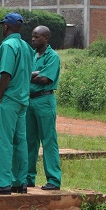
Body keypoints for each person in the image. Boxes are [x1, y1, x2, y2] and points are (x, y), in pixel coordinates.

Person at [0, 12, 34, 196]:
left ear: (6, 26)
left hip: (8, 100)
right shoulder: (27, 47)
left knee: (3, 141)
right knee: (20, 141)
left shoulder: (8, 45)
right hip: (22, 100)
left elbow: (5, 73)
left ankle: (2, 183)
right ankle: (20, 182)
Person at [27, 25, 63, 191]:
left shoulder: (52, 57)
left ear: (46, 39)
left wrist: (26, 75)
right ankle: (27, 178)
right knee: (29, 141)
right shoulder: (32, 55)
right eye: (32, 36)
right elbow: (34, 74)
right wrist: (32, 74)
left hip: (44, 99)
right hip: (29, 101)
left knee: (48, 140)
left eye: (37, 37)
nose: (33, 39)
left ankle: (53, 179)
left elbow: (44, 79)